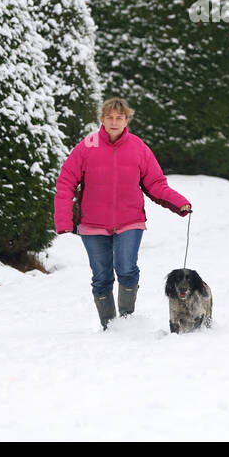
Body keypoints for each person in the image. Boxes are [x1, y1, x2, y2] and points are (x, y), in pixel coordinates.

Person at [54, 97, 192, 329]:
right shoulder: (86, 146)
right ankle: (109, 327)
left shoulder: (138, 147)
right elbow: (66, 182)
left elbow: (156, 183)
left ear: (127, 120)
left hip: (130, 221)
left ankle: (127, 322)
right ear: (102, 119)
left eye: (120, 117)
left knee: (127, 268)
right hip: (93, 224)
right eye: (109, 117)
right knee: (101, 277)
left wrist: (179, 203)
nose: (114, 121)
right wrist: (64, 219)